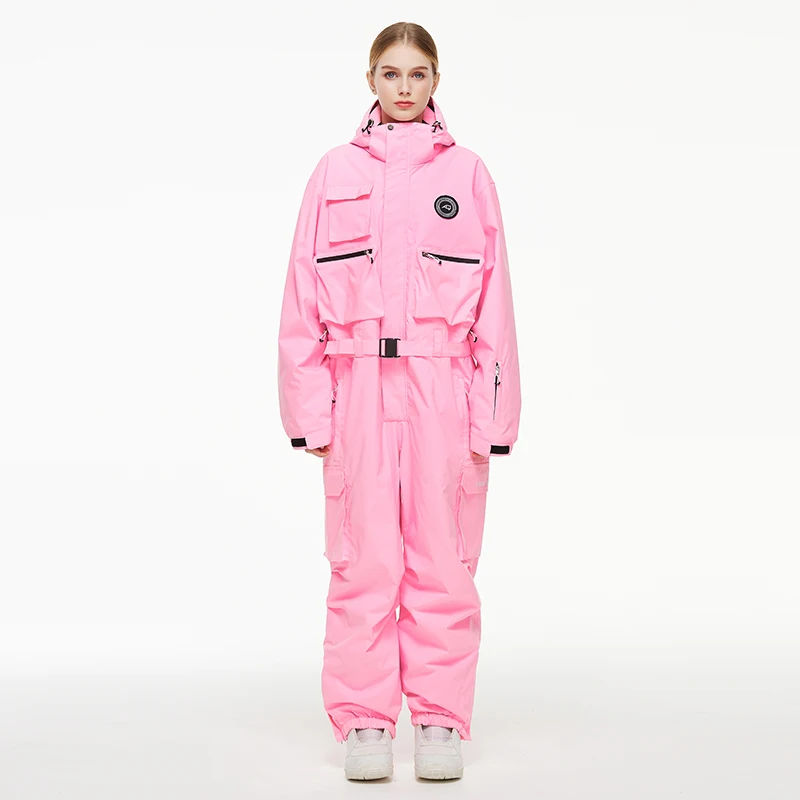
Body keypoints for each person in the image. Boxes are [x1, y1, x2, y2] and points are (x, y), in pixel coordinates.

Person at [277, 22, 521, 781]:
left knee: (444, 558)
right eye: (391, 73)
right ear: (371, 80)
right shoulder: (335, 171)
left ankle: (441, 718)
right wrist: (309, 411)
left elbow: (496, 308)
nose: (405, 87)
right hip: (357, 388)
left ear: (436, 81)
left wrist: (493, 418)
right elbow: (301, 299)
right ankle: (365, 721)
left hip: (444, 388)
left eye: (418, 74)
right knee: (363, 559)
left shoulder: (468, 174)